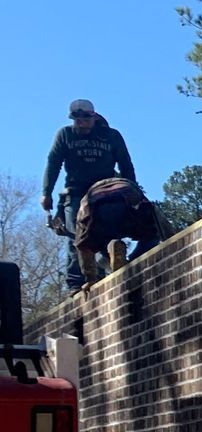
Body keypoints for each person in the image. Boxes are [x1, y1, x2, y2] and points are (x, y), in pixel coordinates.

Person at [41, 99, 136, 292]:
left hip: (106, 191)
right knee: (77, 237)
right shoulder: (65, 135)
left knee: (107, 231)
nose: (81, 124)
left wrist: (131, 190)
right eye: (76, 120)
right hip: (75, 193)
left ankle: (106, 266)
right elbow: (53, 163)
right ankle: (77, 284)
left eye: (85, 119)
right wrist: (46, 193)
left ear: (93, 117)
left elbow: (125, 164)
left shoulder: (111, 136)